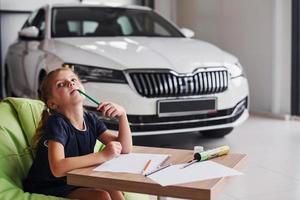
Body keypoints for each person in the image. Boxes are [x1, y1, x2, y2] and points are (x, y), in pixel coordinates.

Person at [23, 67, 132, 200]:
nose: (70, 83)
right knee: (102, 196)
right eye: (61, 84)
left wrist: (122, 115)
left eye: (73, 79)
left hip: (77, 179)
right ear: (52, 103)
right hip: (50, 184)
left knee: (113, 188)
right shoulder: (57, 123)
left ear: (82, 87)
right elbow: (58, 168)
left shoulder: (90, 119)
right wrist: (103, 155)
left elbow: (125, 148)